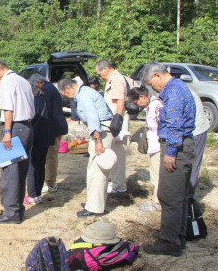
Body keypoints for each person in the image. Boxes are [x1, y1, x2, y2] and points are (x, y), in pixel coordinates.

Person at [140, 61, 196, 257]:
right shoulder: (178, 87)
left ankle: (169, 242)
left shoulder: (173, 92)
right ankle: (176, 235)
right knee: (178, 195)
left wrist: (170, 152)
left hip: (177, 147)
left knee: (169, 195)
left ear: (157, 75)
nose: (152, 88)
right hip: (183, 145)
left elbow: (173, 123)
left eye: (151, 83)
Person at [0, 59, 35, 224]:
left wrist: (7, 132)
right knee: (20, 171)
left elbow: (8, 109)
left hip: (14, 129)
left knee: (9, 171)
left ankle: (10, 212)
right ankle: (18, 209)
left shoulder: (7, 81)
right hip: (27, 128)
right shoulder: (22, 80)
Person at [58, 78, 114, 217]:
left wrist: (97, 141)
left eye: (65, 95)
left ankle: (95, 207)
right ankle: (94, 202)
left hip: (101, 132)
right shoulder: (85, 92)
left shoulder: (83, 95)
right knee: (93, 169)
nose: (66, 97)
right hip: (100, 131)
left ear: (68, 88)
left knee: (97, 171)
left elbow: (93, 118)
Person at [27, 74, 68, 194]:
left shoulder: (46, 91)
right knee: (49, 155)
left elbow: (44, 112)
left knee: (51, 156)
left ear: (38, 83)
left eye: (34, 86)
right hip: (54, 126)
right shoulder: (49, 87)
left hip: (53, 127)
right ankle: (49, 181)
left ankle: (50, 182)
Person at [95, 60, 129, 194]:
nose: (100, 77)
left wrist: (117, 120)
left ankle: (119, 185)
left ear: (106, 69)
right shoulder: (113, 79)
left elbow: (119, 101)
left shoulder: (116, 79)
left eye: (100, 73)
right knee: (114, 151)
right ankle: (116, 182)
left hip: (117, 121)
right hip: (114, 120)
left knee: (118, 153)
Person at [128, 85, 162, 212]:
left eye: (136, 101)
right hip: (155, 145)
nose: (136, 105)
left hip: (158, 146)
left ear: (142, 97)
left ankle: (157, 203)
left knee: (156, 177)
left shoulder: (155, 105)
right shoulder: (152, 105)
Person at [24, 75, 55, 205]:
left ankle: (31, 195)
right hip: (47, 135)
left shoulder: (35, 100)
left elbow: (32, 117)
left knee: (32, 166)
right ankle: (37, 194)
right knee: (41, 164)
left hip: (36, 136)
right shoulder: (46, 96)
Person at [189, 90, 209, 200]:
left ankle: (189, 199)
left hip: (196, 131)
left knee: (192, 165)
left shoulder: (177, 91)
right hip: (189, 131)